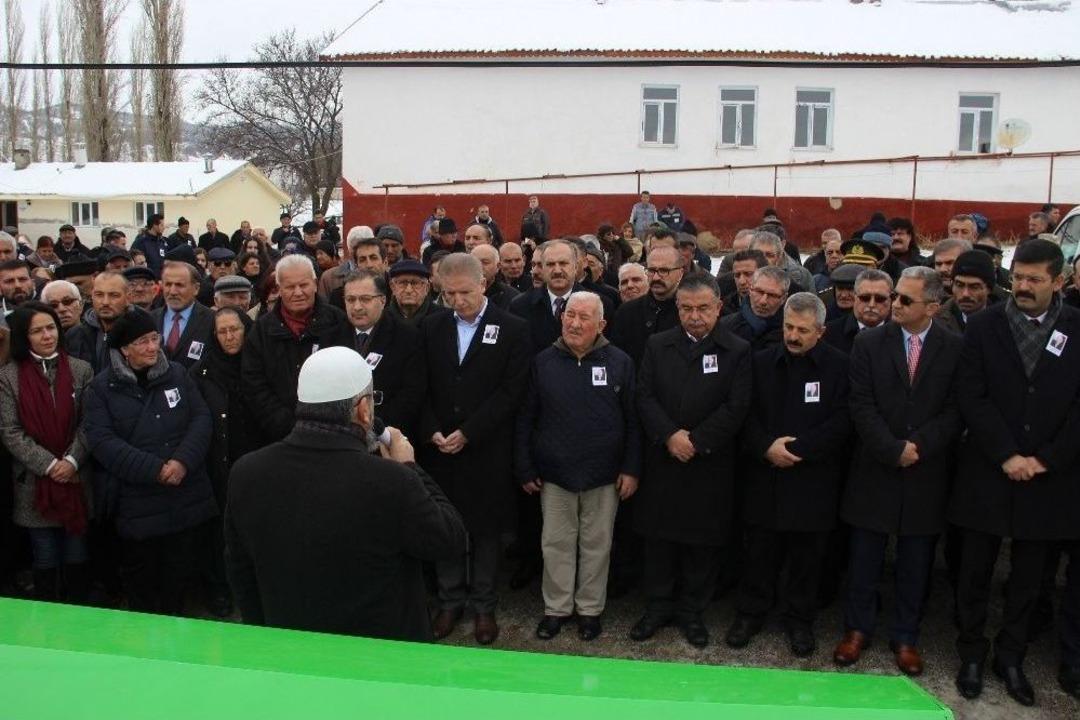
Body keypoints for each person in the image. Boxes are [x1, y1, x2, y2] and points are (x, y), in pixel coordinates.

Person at [226, 346, 465, 641]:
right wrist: (410, 466)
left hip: (290, 647)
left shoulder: (247, 472)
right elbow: (450, 539)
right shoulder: (390, 480)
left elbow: (241, 571)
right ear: (364, 409)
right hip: (381, 657)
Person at [949, 239, 1080, 706]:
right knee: (975, 571)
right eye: (1018, 277)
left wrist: (1045, 459)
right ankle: (970, 652)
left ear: (1058, 281)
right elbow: (972, 394)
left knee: (1030, 577)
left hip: (1049, 479)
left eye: (1034, 280)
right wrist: (1006, 453)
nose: (1022, 287)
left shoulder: (1076, 328)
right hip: (988, 471)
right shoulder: (985, 326)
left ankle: (1011, 656)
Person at [833, 267, 962, 677]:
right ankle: (857, 629)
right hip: (876, 466)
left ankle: (906, 636)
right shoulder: (869, 344)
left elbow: (956, 409)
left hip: (925, 470)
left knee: (915, 561)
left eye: (905, 300)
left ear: (933, 307)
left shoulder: (954, 347)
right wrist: (892, 449)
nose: (895, 306)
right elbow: (861, 403)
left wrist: (919, 447)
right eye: (896, 298)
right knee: (865, 557)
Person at [725, 293, 850, 658]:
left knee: (807, 559)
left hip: (813, 480)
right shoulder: (760, 362)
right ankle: (750, 614)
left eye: (802, 330)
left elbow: (843, 421)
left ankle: (799, 621)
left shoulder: (839, 367)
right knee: (760, 553)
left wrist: (799, 450)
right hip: (765, 475)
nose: (793, 336)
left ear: (821, 332)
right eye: (788, 327)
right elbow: (743, 413)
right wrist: (766, 447)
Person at [631, 272, 752, 648]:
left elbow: (736, 408)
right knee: (659, 541)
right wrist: (670, 436)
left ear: (719, 307)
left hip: (708, 465)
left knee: (701, 544)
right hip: (664, 461)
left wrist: (696, 441)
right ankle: (657, 607)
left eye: (703, 308)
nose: (694, 316)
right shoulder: (657, 344)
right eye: (686, 308)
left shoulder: (737, 350)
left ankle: (692, 611)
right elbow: (644, 396)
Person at [419, 254, 530, 645]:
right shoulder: (431, 326)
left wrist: (469, 431)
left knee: (485, 531)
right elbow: (423, 385)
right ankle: (450, 600)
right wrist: (432, 429)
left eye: (465, 292)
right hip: (440, 448)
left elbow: (511, 391)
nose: (457, 301)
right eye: (449, 294)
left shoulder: (513, 328)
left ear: (483, 284)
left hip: (486, 447)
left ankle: (484, 605)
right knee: (445, 525)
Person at [516, 292, 640, 642]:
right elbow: (526, 417)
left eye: (584, 317)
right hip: (555, 475)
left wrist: (631, 468)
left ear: (601, 324)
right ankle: (556, 609)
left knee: (597, 544)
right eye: (570, 315)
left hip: (604, 475)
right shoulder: (543, 362)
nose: (574, 323)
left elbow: (633, 420)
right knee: (555, 543)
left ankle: (589, 610)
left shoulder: (620, 362)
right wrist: (525, 466)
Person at [82, 307, 216, 615]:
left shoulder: (178, 374)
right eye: (142, 341)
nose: (152, 347)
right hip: (138, 503)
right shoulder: (102, 388)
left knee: (181, 575)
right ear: (124, 349)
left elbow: (200, 418)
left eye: (154, 338)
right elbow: (103, 441)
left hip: (186, 495)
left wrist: (182, 461)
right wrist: (154, 470)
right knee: (143, 579)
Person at [0, 302, 94, 602]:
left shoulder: (81, 370)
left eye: (50, 328)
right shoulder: (8, 377)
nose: (46, 336)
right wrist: (51, 465)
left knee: (77, 553)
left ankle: (78, 612)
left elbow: (91, 423)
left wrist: (71, 460)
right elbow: (10, 431)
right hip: (35, 483)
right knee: (45, 556)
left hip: (75, 480)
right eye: (37, 331)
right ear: (23, 337)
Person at [189, 306, 260, 618]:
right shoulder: (201, 372)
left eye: (236, 329)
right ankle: (220, 589)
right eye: (223, 331)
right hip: (219, 463)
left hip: (258, 460)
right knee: (221, 532)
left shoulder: (260, 365)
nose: (230, 337)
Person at [242, 255, 350, 444]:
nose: (298, 292)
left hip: (331, 434)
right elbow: (254, 384)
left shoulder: (338, 322)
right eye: (290, 287)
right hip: (277, 437)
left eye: (304, 285)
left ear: (315, 284)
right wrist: (285, 425)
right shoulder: (261, 330)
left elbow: (347, 376)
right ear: (280, 289)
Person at [341, 270, 425, 437]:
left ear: (383, 300)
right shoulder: (331, 337)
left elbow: (411, 395)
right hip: (341, 437)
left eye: (365, 299)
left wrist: (373, 429)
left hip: (386, 436)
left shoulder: (408, 338)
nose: (357, 307)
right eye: (351, 300)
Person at [609, 245, 685, 368]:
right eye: (651, 270)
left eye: (664, 271)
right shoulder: (626, 312)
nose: (656, 277)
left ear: (680, 273)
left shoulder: (689, 311)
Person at [152, 262, 215, 370]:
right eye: (168, 284)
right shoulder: (150, 319)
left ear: (196, 288)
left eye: (179, 285)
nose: (172, 291)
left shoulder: (212, 320)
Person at [66, 271, 129, 375]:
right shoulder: (75, 335)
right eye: (99, 295)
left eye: (114, 295)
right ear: (92, 295)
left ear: (128, 297)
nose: (105, 302)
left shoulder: (140, 333)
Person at [823, 269, 893, 354]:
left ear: (890, 300)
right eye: (865, 298)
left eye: (880, 299)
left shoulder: (903, 335)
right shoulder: (828, 334)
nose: (871, 304)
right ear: (855, 297)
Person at [721, 266, 788, 351]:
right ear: (750, 290)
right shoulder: (726, 327)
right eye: (759, 292)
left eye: (772, 295)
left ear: (784, 298)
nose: (763, 301)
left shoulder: (792, 332)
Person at [934, 250, 997, 335]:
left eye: (974, 287)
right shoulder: (933, 321)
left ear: (989, 289)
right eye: (959, 285)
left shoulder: (1005, 324)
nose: (965, 294)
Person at [386, 260, 445, 325]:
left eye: (415, 283)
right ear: (393, 287)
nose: (409, 290)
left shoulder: (443, 319)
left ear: (427, 288)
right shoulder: (381, 320)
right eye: (402, 283)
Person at [472, 244, 519, 310]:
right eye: (475, 262)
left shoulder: (512, 297)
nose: (479, 267)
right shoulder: (458, 292)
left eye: (485, 263)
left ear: (498, 266)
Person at [131, 214, 168, 279]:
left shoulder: (163, 242)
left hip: (161, 282)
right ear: (154, 225)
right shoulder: (140, 243)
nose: (164, 227)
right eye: (162, 225)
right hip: (147, 281)